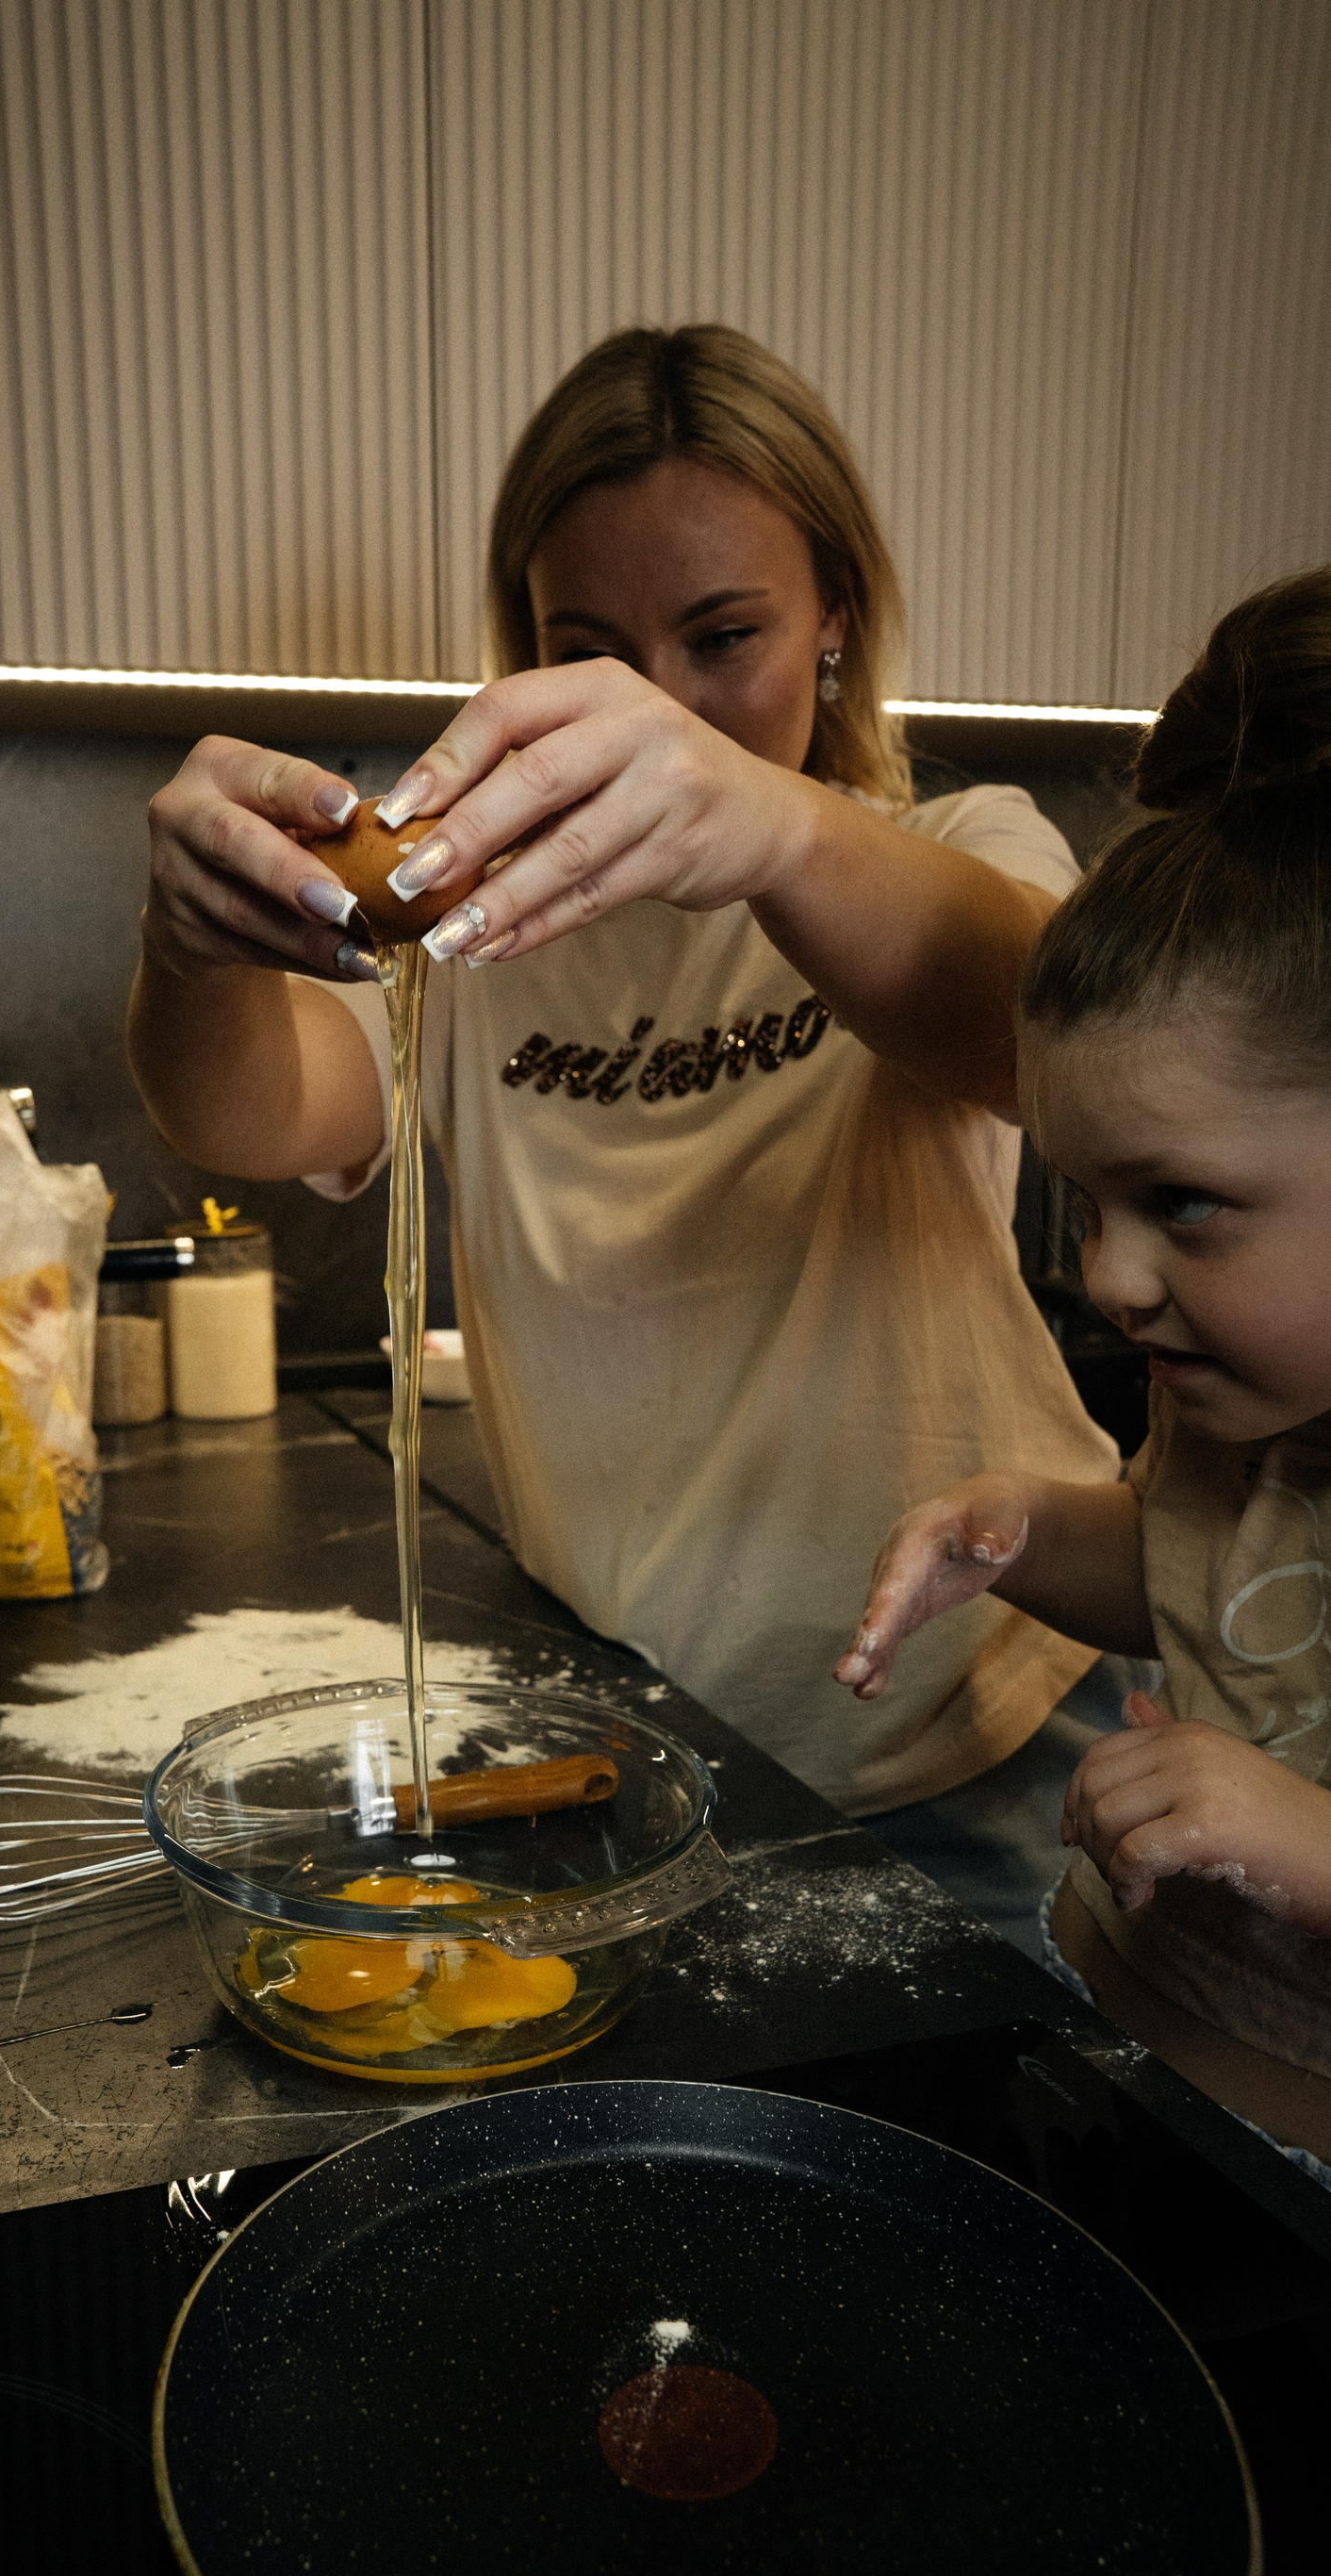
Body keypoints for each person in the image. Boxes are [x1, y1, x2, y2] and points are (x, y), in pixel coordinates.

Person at [132, 322, 1118, 1832]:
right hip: (627, 1729)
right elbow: (253, 1112)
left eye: (723, 638)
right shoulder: (478, 927)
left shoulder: (958, 845)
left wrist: (774, 826)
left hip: (973, 1719)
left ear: (836, 616)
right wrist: (189, 946)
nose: (657, 707)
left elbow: (1042, 1040)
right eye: (588, 655)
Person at [837, 569, 1331, 2165]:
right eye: (1085, 1202)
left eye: (1182, 1203)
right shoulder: (1245, 1408)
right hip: (1132, 2070)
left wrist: (1305, 1843)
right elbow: (1207, 1582)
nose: (1110, 1278)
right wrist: (1032, 1532)